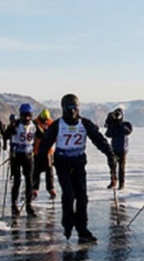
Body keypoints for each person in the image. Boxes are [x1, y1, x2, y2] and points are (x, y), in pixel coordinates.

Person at [39, 94, 117, 243]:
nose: (72, 111)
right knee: (68, 195)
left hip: (79, 164)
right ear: (63, 109)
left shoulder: (85, 124)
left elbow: (99, 140)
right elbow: (44, 145)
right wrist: (38, 168)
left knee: (82, 197)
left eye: (75, 108)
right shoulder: (57, 125)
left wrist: (110, 154)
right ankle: (67, 224)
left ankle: (82, 229)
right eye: (69, 108)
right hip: (62, 163)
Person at [4, 103, 38, 217]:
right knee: (17, 181)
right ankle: (14, 205)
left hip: (28, 156)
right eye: (24, 116)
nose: (27, 118)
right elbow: (5, 135)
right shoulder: (16, 124)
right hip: (16, 156)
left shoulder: (34, 126)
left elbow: (43, 137)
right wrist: (10, 128)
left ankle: (28, 205)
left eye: (29, 115)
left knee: (29, 181)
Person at [105, 106, 133, 190]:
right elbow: (108, 134)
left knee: (121, 168)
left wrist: (119, 124)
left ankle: (121, 183)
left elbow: (128, 131)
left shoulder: (125, 124)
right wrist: (110, 122)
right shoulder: (113, 125)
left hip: (122, 149)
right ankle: (113, 181)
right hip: (113, 149)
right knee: (112, 166)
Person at [32, 108, 56, 199]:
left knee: (49, 171)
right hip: (37, 151)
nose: (45, 121)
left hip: (48, 152)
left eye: (46, 119)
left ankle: (51, 188)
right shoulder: (35, 123)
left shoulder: (51, 124)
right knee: (36, 171)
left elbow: (55, 136)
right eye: (44, 119)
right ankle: (34, 189)